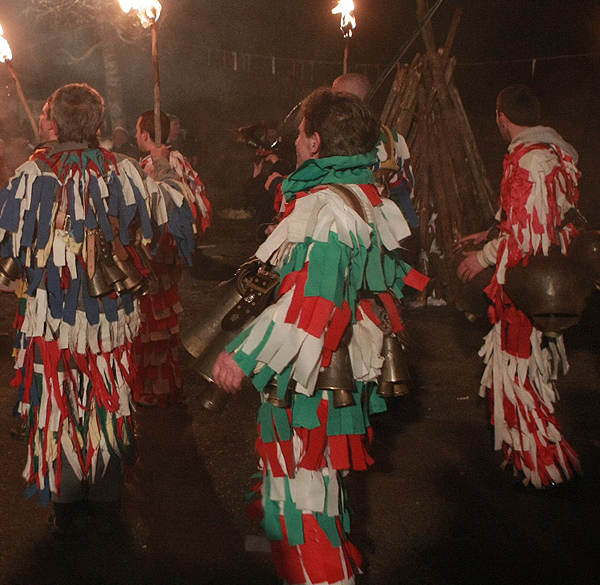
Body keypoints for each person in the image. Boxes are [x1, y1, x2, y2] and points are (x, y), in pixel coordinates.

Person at [0, 83, 195, 535]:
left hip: (51, 321)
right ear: (98, 125)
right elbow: (170, 205)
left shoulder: (34, 173)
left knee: (58, 403)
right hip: (110, 320)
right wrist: (164, 171)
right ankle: (105, 496)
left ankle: (69, 500)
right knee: (109, 398)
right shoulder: (126, 170)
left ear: (53, 124)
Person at [212, 87, 427, 585]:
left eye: (299, 133)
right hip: (341, 368)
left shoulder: (331, 206)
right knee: (314, 489)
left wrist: (242, 355)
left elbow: (315, 307)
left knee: (305, 499)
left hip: (315, 372)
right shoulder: (365, 193)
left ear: (313, 142)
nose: (294, 142)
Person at [457, 84, 581, 488]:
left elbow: (529, 234)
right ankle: (528, 456)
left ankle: (543, 466)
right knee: (519, 367)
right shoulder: (549, 153)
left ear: (501, 116)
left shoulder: (532, 160)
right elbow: (525, 217)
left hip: (529, 281)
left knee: (520, 367)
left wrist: (484, 257)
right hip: (542, 277)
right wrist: (487, 234)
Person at [133, 109, 212, 405]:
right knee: (163, 319)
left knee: (151, 321)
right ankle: (165, 382)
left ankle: (152, 387)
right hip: (172, 254)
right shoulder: (181, 162)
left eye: (137, 130)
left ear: (145, 133)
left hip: (155, 253)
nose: (135, 135)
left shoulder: (155, 165)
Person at [332, 72, 419, 232]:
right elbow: (406, 190)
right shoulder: (393, 139)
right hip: (381, 233)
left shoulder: (329, 141)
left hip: (345, 231)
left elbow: (403, 193)